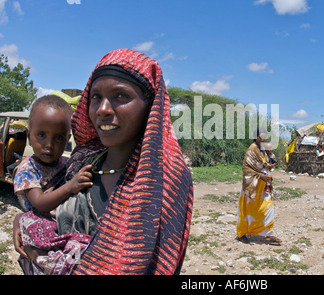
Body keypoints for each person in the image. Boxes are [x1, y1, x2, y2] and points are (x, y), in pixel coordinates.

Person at [14, 48, 194, 275]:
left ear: (150, 107)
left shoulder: (166, 180)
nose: (103, 109)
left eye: (121, 96)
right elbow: (49, 209)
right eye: (96, 97)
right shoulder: (82, 161)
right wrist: (25, 221)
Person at [14, 95, 94, 214]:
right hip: (39, 221)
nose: (49, 145)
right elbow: (40, 203)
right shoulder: (27, 170)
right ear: (29, 136)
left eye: (58, 137)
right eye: (41, 135)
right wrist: (70, 186)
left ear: (67, 140)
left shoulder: (67, 163)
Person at [236, 128, 281, 245]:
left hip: (263, 186)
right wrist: (260, 176)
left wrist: (271, 155)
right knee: (247, 210)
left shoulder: (263, 149)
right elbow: (247, 169)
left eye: (265, 137)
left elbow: (268, 164)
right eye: (262, 137)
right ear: (257, 137)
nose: (264, 139)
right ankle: (242, 233)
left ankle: (268, 234)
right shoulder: (251, 150)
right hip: (252, 185)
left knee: (268, 208)